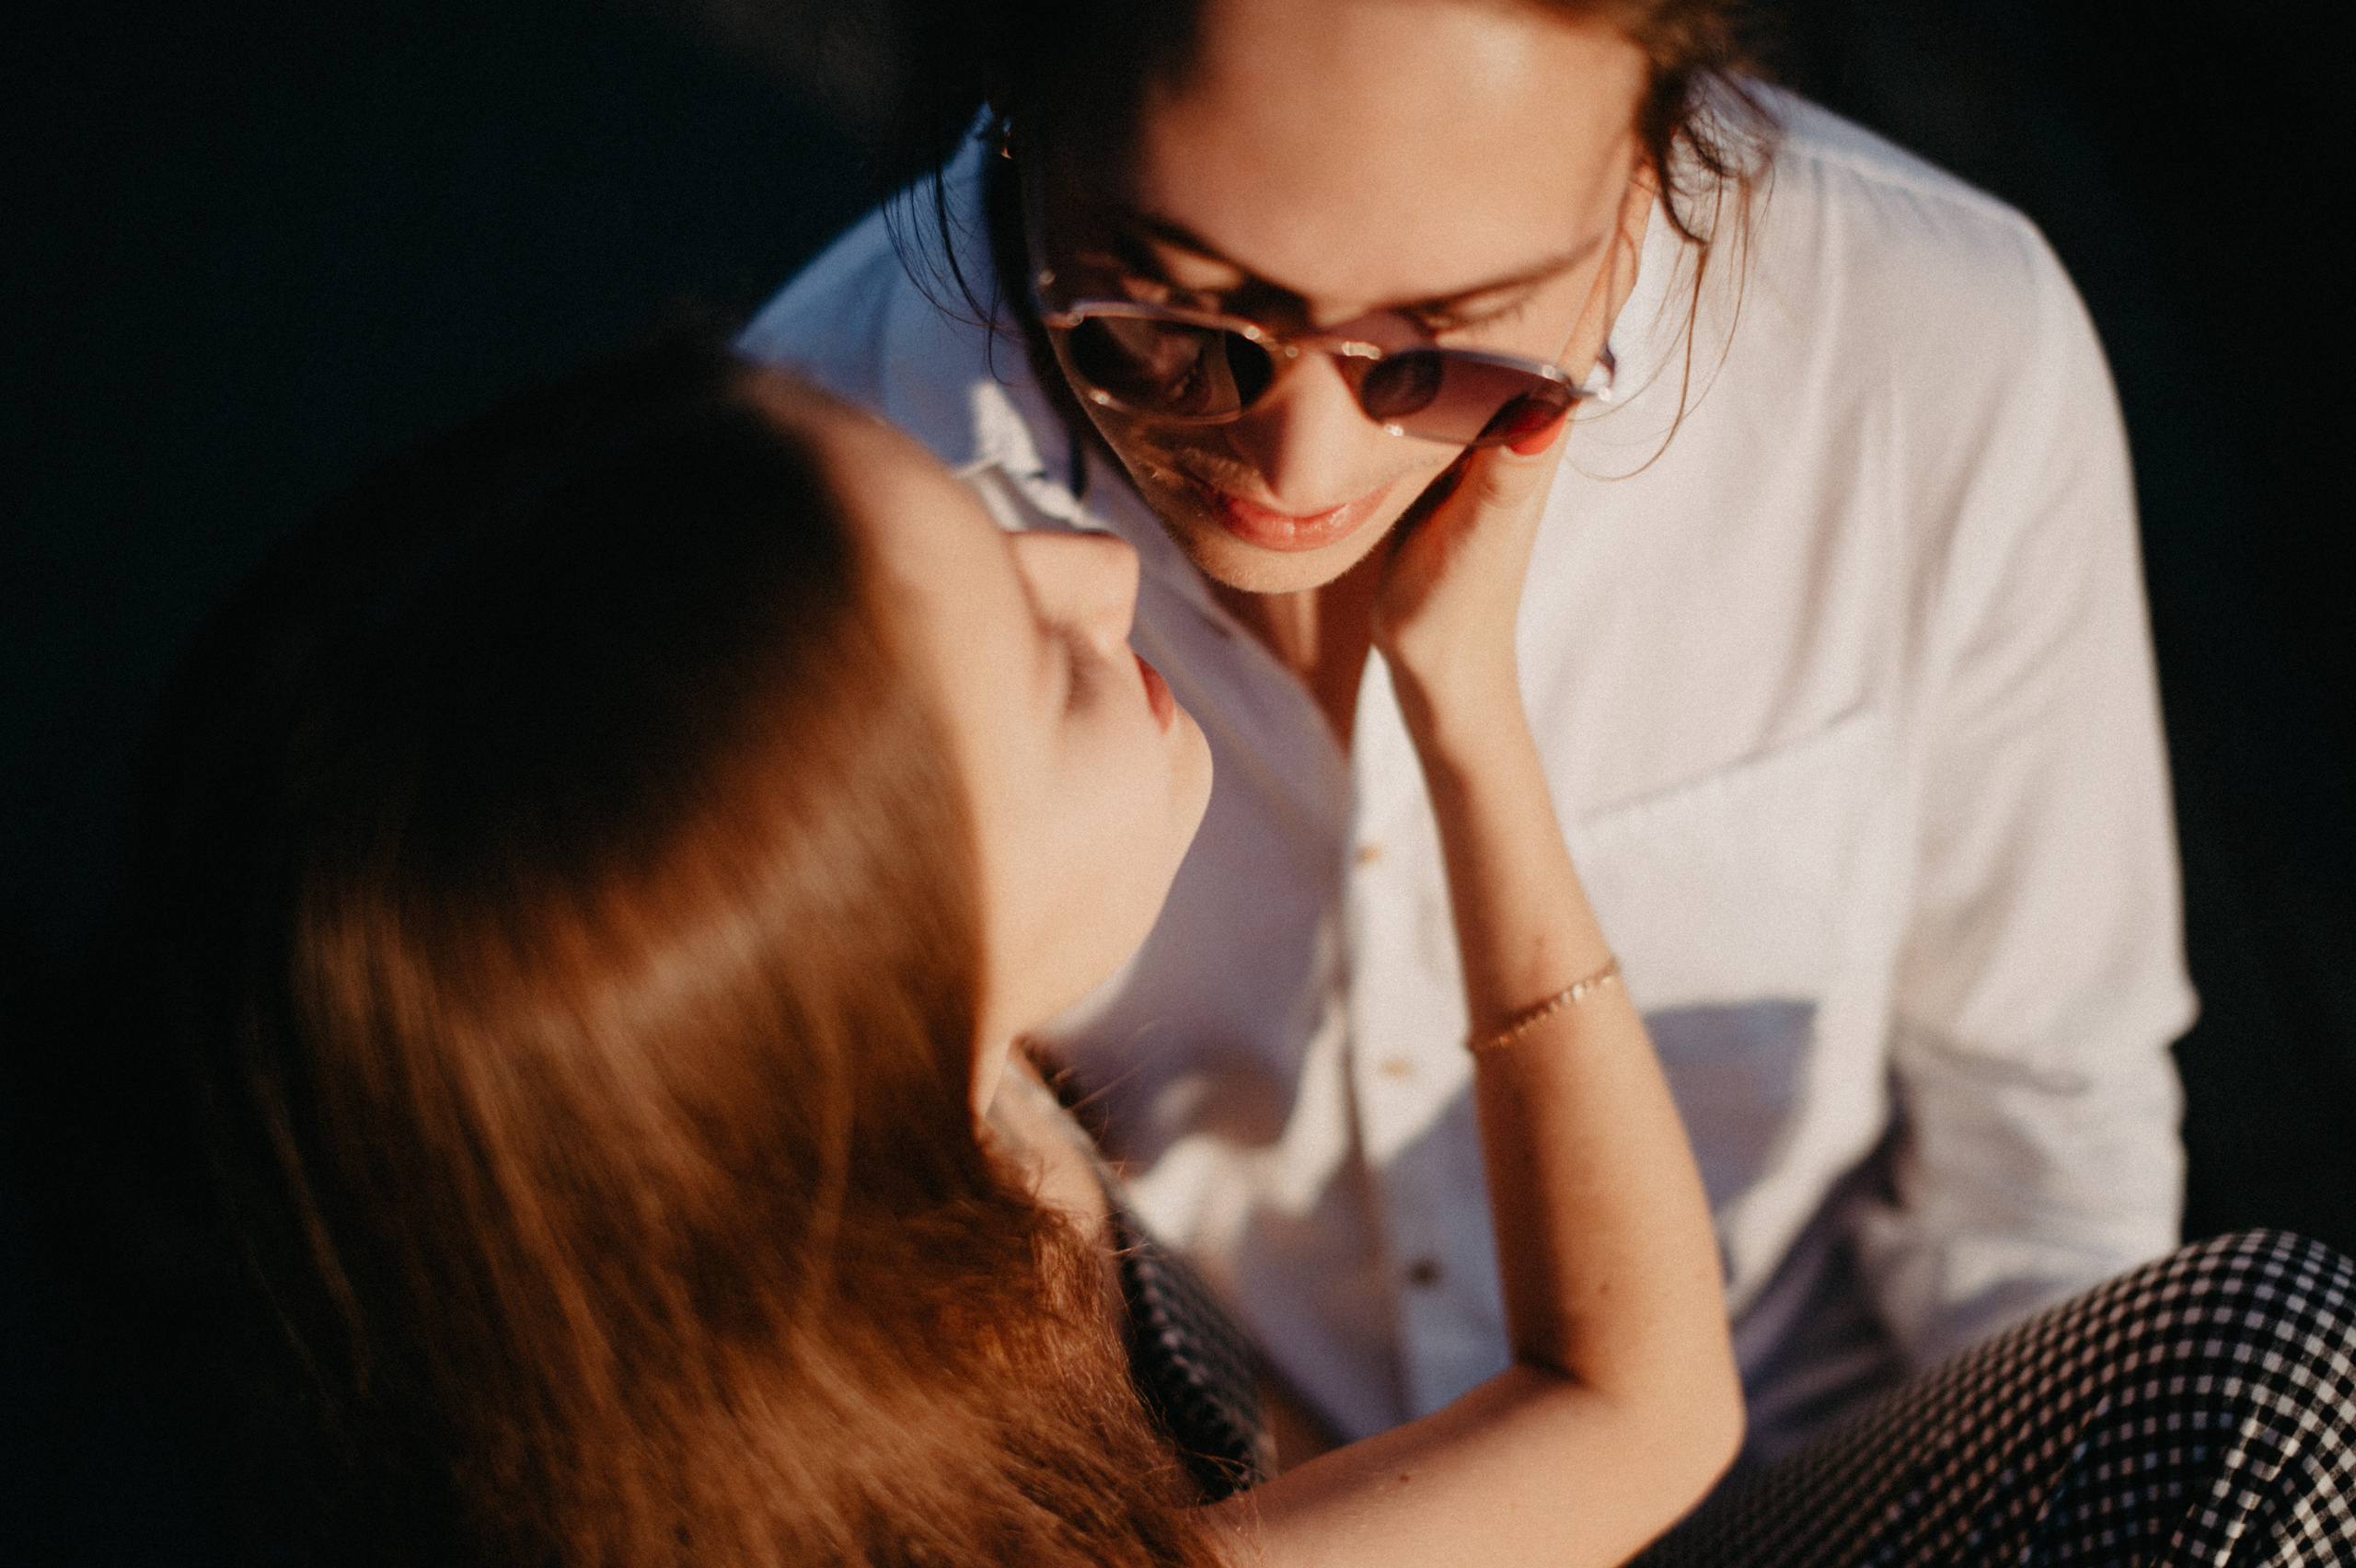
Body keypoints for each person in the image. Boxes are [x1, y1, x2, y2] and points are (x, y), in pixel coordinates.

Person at [137, 340, 2355, 1565]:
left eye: (988, 520)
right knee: (2275, 1375)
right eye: (1027, 661)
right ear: (853, 1022)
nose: (1094, 572)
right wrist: (1470, 724)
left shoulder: (783, 1255)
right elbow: (1628, 1411)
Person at [738, 0, 2195, 1462]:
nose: (1298, 467)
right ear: (1019, 109)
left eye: (1449, 343)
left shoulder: (1928, 356)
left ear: (1656, 152)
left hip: (1799, 1471)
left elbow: (2043, 1148)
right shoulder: (820, 478)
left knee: (2270, 1373)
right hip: (1225, 1477)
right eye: (1168, 321)